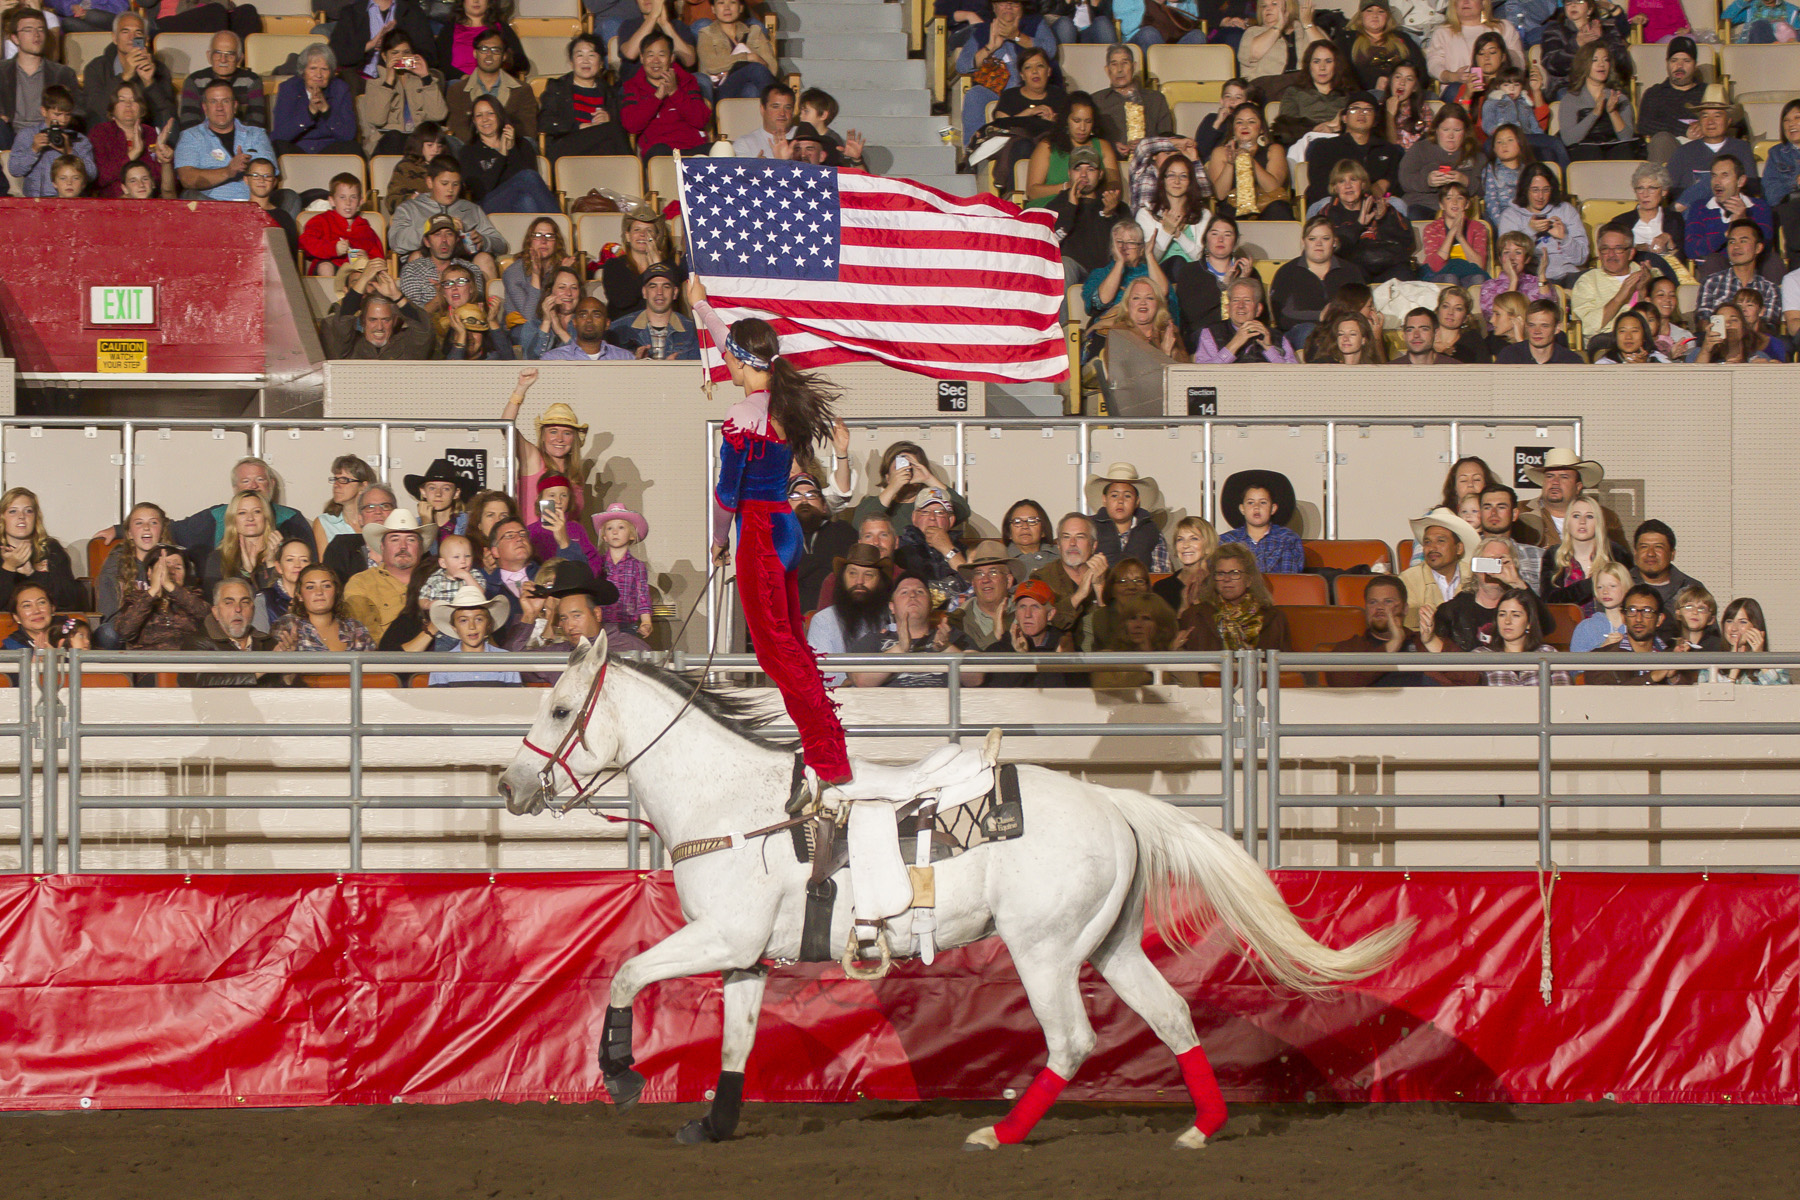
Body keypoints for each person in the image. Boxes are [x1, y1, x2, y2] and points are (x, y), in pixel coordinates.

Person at [689, 277, 852, 786]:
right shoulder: (780, 401)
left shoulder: (742, 416)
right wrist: (701, 306)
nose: (726, 365)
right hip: (785, 526)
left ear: (740, 363)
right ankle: (825, 738)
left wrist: (718, 542)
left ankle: (827, 754)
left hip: (758, 530)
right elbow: (730, 342)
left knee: (775, 649)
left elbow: (726, 496)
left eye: (729, 359)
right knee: (790, 643)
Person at [846, 573, 981, 689]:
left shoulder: (954, 637)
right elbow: (861, 680)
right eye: (904, 592)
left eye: (920, 592)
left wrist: (946, 648)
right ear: (892, 607)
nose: (912, 595)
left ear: (930, 604)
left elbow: (976, 678)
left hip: (944, 714)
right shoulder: (874, 641)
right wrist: (900, 649)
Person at [957, 0, 1059, 150]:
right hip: (996, 93)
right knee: (974, 94)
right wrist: (990, 47)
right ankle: (972, 151)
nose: (1009, 7)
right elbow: (962, 65)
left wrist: (1016, 36)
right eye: (1003, 3)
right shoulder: (983, 30)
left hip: (1027, 92)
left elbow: (1050, 49)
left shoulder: (1034, 23)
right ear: (994, 7)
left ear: (1022, 7)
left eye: (1014, 3)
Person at [1421, 534, 1545, 650]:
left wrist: (1517, 582)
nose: (1493, 570)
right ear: (1476, 566)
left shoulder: (1521, 607)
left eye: (1500, 562)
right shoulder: (1453, 611)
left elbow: (1547, 627)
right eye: (1487, 561)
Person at [389, 157, 507, 271]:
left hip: (464, 265)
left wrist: (484, 241)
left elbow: (501, 245)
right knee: (417, 256)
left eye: (455, 184)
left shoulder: (471, 209)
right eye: (444, 184)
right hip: (426, 263)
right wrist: (432, 227)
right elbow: (396, 242)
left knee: (484, 259)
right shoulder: (410, 208)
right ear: (430, 182)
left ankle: (485, 292)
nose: (450, 189)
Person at [806, 542, 894, 686]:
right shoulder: (823, 621)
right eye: (852, 573)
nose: (859, 581)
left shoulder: (892, 617)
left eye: (869, 575)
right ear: (843, 577)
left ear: (880, 581)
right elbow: (823, 676)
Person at [1323, 573, 1434, 686]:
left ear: (1405, 609)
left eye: (1388, 601)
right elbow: (1340, 684)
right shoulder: (1350, 649)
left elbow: (1451, 678)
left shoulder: (1422, 642)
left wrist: (1431, 641)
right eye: (1373, 602)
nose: (1380, 607)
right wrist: (1392, 645)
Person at [344, 509, 435, 644]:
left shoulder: (438, 580)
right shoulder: (362, 583)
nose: (403, 546)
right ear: (382, 547)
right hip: (383, 661)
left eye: (410, 539)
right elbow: (366, 641)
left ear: (421, 547)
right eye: (395, 539)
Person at [1178, 543, 1291, 651]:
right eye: (1221, 573)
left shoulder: (1275, 618)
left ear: (1249, 580)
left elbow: (1287, 666)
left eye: (1234, 573)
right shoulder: (1195, 616)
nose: (1227, 579)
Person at [173, 80, 273, 201]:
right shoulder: (190, 136)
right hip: (212, 209)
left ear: (235, 106)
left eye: (225, 101)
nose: (219, 108)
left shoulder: (257, 134)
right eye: (213, 101)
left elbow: (269, 177)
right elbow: (187, 179)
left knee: (288, 196)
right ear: (205, 108)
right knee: (190, 196)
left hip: (253, 206)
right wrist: (228, 171)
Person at [1303, 89, 1402, 212]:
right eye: (1354, 109)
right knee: (1323, 203)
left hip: (1374, 203)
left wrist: (1387, 183)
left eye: (1368, 110)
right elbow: (1319, 185)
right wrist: (1363, 190)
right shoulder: (1324, 147)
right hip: (1334, 202)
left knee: (1398, 204)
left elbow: (1397, 181)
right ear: (1344, 117)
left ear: (1375, 120)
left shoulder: (1387, 150)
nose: (1361, 113)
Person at [457, 94, 557, 214]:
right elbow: (481, 190)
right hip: (487, 205)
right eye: (479, 115)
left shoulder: (522, 145)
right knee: (527, 176)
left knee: (526, 201)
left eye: (490, 113)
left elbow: (531, 187)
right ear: (474, 121)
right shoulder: (468, 151)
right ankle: (560, 224)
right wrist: (502, 155)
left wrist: (512, 149)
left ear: (499, 116)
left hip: (517, 202)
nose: (485, 119)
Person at [539, 33, 631, 161]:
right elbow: (545, 122)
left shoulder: (610, 92)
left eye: (591, 55)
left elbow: (625, 125)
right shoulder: (557, 88)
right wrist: (579, 127)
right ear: (571, 62)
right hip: (565, 147)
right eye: (580, 55)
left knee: (609, 142)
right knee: (613, 130)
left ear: (600, 63)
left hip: (599, 148)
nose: (585, 60)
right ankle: (632, 173)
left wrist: (609, 118)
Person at [620, 29, 709, 160]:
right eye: (650, 55)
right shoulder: (632, 86)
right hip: (659, 151)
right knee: (659, 151)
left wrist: (674, 92)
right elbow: (631, 125)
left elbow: (701, 120)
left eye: (662, 55)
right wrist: (657, 97)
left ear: (671, 58)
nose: (655, 61)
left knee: (721, 150)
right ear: (642, 58)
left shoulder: (687, 81)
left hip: (692, 150)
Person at [78, 12, 173, 131]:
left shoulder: (159, 69)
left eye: (138, 33)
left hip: (146, 135)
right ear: (114, 38)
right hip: (108, 137)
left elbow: (167, 115)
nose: (131, 37)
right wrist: (125, 76)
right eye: (125, 32)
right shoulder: (96, 67)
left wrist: (150, 83)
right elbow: (93, 111)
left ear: (146, 40)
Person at [1320, 163, 1412, 283]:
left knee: (1405, 275)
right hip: (1353, 267)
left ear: (1363, 184)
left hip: (1387, 265)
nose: (1348, 186)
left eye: (1353, 180)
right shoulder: (1328, 212)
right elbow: (1332, 246)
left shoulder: (1382, 206)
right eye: (1341, 181)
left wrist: (1383, 218)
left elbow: (1407, 241)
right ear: (1335, 187)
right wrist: (1358, 224)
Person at [320, 267, 437, 360]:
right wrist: (363, 279)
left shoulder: (407, 347)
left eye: (386, 320)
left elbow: (423, 328)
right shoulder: (349, 348)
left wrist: (397, 296)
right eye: (373, 320)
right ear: (363, 321)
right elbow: (342, 323)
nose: (379, 327)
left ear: (395, 320)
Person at [0, 11, 77, 152]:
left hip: (49, 135)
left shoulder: (63, 74)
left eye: (40, 29)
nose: (36, 35)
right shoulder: (1, 71)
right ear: (15, 38)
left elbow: (78, 112)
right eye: (28, 30)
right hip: (10, 136)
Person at [1033, 512, 1109, 651]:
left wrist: (1100, 589)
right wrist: (1079, 595)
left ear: (1093, 545)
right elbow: (1044, 625)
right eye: (1066, 537)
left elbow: (1115, 631)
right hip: (1058, 662)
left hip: (1102, 660)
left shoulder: (1109, 577)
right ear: (1059, 545)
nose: (1072, 543)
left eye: (1080, 537)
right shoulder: (1041, 578)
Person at [1538, 494, 1624, 614]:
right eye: (1576, 516)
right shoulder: (1554, 555)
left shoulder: (1615, 553)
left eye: (1589, 516)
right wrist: (1593, 583)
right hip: (1567, 628)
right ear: (1568, 522)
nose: (1582, 522)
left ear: (1598, 522)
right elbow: (1550, 600)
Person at [1570, 226, 1655, 349]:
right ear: (1599, 253)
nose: (1611, 255)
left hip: (1644, 340)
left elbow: (1658, 319)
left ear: (1631, 253)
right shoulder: (1587, 281)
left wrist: (1642, 291)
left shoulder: (1647, 275)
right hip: (1605, 343)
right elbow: (1586, 327)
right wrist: (1620, 297)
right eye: (1605, 249)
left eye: (1618, 249)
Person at [1205, 101, 1292, 219]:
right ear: (1233, 128)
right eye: (1239, 122)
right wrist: (1230, 164)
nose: (1244, 126)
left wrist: (1249, 159)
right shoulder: (1221, 152)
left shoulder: (1274, 150)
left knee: (1278, 209)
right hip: (1232, 207)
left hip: (1268, 205)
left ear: (1261, 128)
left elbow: (1273, 188)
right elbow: (1220, 194)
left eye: (1251, 122)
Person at [114, 544, 210, 651]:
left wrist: (169, 586)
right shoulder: (136, 598)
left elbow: (207, 617)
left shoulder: (193, 596)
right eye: (165, 567)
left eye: (178, 567)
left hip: (187, 661)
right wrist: (152, 593)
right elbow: (124, 631)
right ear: (150, 573)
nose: (171, 572)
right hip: (147, 662)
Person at [0, 486, 82, 611]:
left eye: (28, 511)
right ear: (2, 517)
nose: (21, 516)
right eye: (13, 511)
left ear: (35, 517)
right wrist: (9, 568)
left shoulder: (51, 550)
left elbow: (67, 602)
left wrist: (33, 574)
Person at [1397, 101, 1485, 215]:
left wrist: (1466, 181)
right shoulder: (1420, 149)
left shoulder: (1476, 155)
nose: (1451, 136)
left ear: (1465, 132)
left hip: (1460, 210)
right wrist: (1427, 181)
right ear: (1437, 130)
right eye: (1445, 130)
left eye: (1457, 130)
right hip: (1423, 205)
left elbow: (1487, 188)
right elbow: (1405, 180)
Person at [87, 80, 172, 198]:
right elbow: (99, 178)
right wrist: (133, 153)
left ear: (141, 109)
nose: (128, 104)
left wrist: (165, 161)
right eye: (122, 100)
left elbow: (160, 181)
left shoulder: (151, 133)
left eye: (134, 100)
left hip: (149, 202)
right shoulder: (100, 132)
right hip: (111, 204)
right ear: (112, 109)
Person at [1399, 505, 1479, 630]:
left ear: (1458, 548)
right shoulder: (1408, 579)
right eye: (1427, 542)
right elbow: (1408, 625)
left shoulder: (1475, 576)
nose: (1432, 548)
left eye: (1440, 541)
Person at [1426, 0, 1524, 101]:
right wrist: (1452, 76)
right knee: (1455, 89)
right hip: (1458, 91)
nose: (1465, 2)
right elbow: (1434, 64)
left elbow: (1519, 63)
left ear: (1483, 2)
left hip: (1499, 88)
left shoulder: (1504, 28)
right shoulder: (1443, 32)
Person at [271, 561, 377, 655]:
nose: (319, 592)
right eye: (310, 587)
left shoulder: (355, 629)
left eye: (326, 586)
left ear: (336, 591)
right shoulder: (288, 625)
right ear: (300, 596)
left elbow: (375, 670)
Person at [602, 204, 685, 320]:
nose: (643, 234)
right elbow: (621, 300)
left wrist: (659, 267)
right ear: (628, 236)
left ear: (656, 237)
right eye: (637, 230)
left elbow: (673, 301)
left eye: (649, 230)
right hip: (624, 332)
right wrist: (653, 269)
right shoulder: (614, 266)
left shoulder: (669, 267)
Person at [7, 85, 92, 196]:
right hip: (35, 202)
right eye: (57, 114)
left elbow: (91, 174)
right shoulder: (28, 135)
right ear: (44, 111)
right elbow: (15, 170)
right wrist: (34, 149)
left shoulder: (79, 139)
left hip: (70, 202)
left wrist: (69, 152)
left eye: (68, 115)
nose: (63, 120)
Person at [1093, 41, 1172, 159]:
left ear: (1134, 66)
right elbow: (1089, 140)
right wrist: (1111, 147)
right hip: (1111, 163)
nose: (1120, 70)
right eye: (1114, 64)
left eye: (1125, 63)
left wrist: (1147, 145)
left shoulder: (1155, 99)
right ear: (1107, 69)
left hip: (1150, 162)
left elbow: (1167, 137)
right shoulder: (1096, 101)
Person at [1585, 585, 1678, 684]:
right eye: (1632, 610)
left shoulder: (1672, 656)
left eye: (1647, 611)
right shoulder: (1600, 658)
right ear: (1623, 617)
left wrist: (1673, 678)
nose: (1638, 619)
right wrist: (1651, 677)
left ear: (1659, 619)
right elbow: (1606, 697)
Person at [1272, 36, 1355, 148]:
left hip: (1344, 144)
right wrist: (1318, 129)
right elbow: (1283, 128)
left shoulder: (1349, 93)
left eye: (1328, 61)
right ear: (1309, 65)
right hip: (1307, 145)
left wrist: (1338, 127)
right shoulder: (1295, 92)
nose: (1322, 67)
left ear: (1336, 65)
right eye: (1316, 62)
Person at [1086, 462, 1169, 573]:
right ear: (1104, 499)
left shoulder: (1151, 531)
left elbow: (1160, 574)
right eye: (1114, 495)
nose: (1120, 501)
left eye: (1127, 496)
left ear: (1137, 501)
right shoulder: (1089, 528)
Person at [606, 263, 701, 359]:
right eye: (653, 286)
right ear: (644, 292)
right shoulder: (618, 330)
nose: (659, 292)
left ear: (675, 292)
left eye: (666, 286)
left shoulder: (693, 331)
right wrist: (634, 365)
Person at [1194, 276, 1299, 362]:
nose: (1241, 305)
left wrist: (1270, 349)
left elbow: (1292, 377)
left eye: (1247, 300)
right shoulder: (1210, 333)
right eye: (1235, 300)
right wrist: (1234, 344)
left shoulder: (1277, 337)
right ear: (1228, 308)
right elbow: (1204, 374)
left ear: (1258, 309)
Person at [1477, 587, 1570, 686]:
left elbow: (1564, 696)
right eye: (1502, 614)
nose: (1507, 621)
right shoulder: (1480, 656)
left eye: (1516, 615)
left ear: (1529, 622)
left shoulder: (1548, 654)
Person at [178, 30, 265, 134]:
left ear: (240, 58)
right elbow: (189, 123)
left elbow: (256, 123)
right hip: (202, 142)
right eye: (218, 54)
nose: (223, 60)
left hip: (243, 141)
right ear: (209, 56)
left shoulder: (252, 81)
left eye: (230, 54)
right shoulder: (194, 81)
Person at [1217, 468, 1301, 574]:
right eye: (1251, 503)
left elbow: (1287, 579)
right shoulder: (1226, 541)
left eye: (1263, 502)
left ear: (1273, 508)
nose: (1256, 507)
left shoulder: (1287, 539)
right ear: (1242, 508)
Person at [329, 0, 435, 83]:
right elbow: (333, 56)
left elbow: (429, 56)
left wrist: (399, 63)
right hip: (361, 78)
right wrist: (370, 45)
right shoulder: (351, 13)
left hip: (401, 78)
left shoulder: (413, 13)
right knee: (347, 79)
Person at [300, 173, 384, 277]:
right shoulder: (321, 221)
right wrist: (333, 249)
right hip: (330, 267)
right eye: (342, 197)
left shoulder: (366, 229)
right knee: (325, 267)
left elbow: (378, 258)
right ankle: (329, 293)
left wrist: (367, 259)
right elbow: (305, 243)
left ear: (360, 201)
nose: (348, 203)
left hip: (356, 273)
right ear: (332, 201)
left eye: (353, 197)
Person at [1696, 220, 1778, 325]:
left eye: (1743, 241)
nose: (1736, 247)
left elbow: (1767, 326)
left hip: (1754, 340)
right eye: (1732, 242)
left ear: (1758, 248)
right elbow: (1704, 319)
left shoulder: (1769, 289)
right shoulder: (1711, 282)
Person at [1639, 36, 1703, 163]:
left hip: (1703, 146)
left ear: (1695, 64)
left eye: (1686, 61)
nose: (1679, 66)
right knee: (1661, 139)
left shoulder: (1707, 91)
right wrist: (1684, 130)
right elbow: (1644, 125)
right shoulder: (1655, 93)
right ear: (1667, 63)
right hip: (1670, 147)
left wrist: (1707, 125)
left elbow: (1733, 114)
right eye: (1674, 60)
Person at [202, 490, 282, 591]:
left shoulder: (283, 555)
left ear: (266, 517)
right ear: (233, 519)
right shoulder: (218, 559)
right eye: (242, 513)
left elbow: (280, 603)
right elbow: (214, 602)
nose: (250, 518)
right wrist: (247, 574)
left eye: (257, 511)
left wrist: (271, 564)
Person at [1344, 0, 1428, 93]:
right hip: (1364, 96)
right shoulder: (1348, 40)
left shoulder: (1403, 38)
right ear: (1361, 15)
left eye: (1381, 11)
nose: (1375, 15)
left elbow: (1420, 71)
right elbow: (1345, 74)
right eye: (1369, 11)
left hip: (1404, 94)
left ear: (1387, 16)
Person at [1237, 0, 1327, 85]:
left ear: (1288, 7)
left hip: (1305, 87)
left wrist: (1308, 24)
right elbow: (1252, 54)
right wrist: (1278, 26)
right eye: (1264, 6)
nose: (1268, 9)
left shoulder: (1307, 30)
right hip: (1267, 89)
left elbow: (1328, 55)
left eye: (1274, 4)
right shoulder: (1253, 32)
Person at [1707, 598, 1790, 686]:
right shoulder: (1711, 664)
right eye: (1729, 621)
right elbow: (1715, 698)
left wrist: (1761, 659)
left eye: (1743, 622)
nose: (1734, 628)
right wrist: (1733, 673)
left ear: (1755, 626)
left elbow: (1783, 695)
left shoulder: (1776, 666)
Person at [1629, 518, 1701, 609]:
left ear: (1672, 554)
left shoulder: (1691, 589)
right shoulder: (1619, 586)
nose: (1650, 553)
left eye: (1658, 547)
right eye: (1644, 547)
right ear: (1635, 552)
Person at [1153, 515, 1216, 615]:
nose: (1185, 545)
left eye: (1194, 539)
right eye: (1180, 539)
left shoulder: (1218, 584)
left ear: (1207, 546)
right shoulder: (1162, 588)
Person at [1495, 297, 1583, 363]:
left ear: (1557, 328)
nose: (1537, 331)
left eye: (1544, 326)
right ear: (1526, 326)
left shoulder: (1570, 361)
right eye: (1532, 325)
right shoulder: (1509, 356)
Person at [1693, 300, 1775, 363]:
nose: (1728, 324)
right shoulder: (1697, 354)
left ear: (1744, 328)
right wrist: (1705, 352)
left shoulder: (1759, 357)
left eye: (1734, 320)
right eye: (1721, 321)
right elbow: (1693, 381)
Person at [732, 81, 796, 159]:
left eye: (788, 107)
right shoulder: (745, 144)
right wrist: (757, 167)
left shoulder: (804, 138)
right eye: (775, 107)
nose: (782, 113)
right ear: (762, 109)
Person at [1002, 499, 1058, 582]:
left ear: (1043, 530)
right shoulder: (1002, 560)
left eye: (1032, 521)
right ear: (1009, 532)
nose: (1025, 526)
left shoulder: (1059, 556)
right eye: (1017, 522)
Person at [1592, 311, 1669, 364]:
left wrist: (1646, 368)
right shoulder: (1604, 365)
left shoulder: (1658, 359)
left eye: (1634, 331)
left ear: (1644, 336)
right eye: (1622, 331)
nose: (1628, 337)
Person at [1, 582, 54, 650]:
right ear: (16, 617)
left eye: (41, 602)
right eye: (27, 606)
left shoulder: (68, 638)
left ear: (52, 608)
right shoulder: (10, 649)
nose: (36, 611)